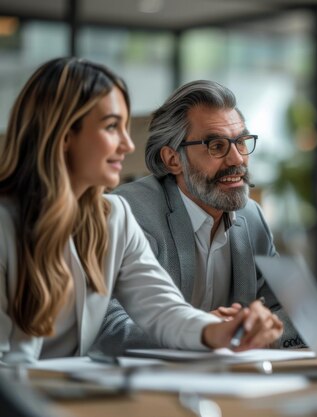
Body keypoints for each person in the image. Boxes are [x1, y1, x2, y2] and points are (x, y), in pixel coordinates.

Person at [0, 57, 283, 364]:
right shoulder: (6, 222)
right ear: (63, 135)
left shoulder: (113, 216)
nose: (127, 145)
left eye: (124, 127)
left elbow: (162, 310)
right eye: (111, 127)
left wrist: (220, 332)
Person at [95, 80, 301, 350]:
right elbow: (108, 325)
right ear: (172, 159)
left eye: (241, 142)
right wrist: (203, 333)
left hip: (230, 380)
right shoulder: (129, 212)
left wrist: (254, 332)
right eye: (216, 146)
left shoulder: (252, 217)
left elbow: (293, 316)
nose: (237, 159)